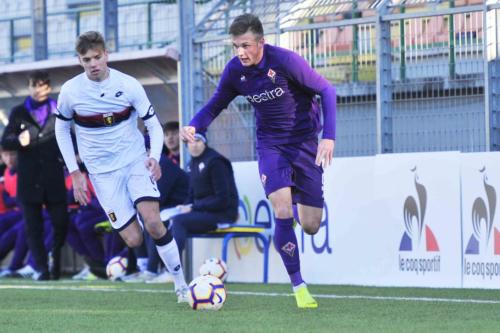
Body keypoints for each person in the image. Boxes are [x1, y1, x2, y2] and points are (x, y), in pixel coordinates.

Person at [180, 14, 336, 309]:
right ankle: (299, 287)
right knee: (280, 207)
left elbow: (327, 90)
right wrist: (194, 125)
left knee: (311, 225)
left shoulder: (286, 61)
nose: (241, 52)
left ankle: (295, 201)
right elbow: (215, 105)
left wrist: (329, 136)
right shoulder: (234, 71)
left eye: (246, 45)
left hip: (305, 144)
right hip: (270, 146)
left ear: (261, 42)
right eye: (236, 46)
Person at [54, 31, 189, 302]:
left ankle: (181, 285)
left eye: (97, 57)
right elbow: (61, 130)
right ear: (79, 60)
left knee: (153, 222)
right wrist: (75, 172)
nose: (92, 63)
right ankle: (136, 217)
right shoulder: (71, 91)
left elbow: (152, 123)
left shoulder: (128, 85)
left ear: (106, 55)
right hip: (102, 174)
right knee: (134, 240)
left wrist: (154, 155)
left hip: (134, 161)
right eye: (86, 59)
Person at [1, 71, 69, 281]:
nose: (39, 90)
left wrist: (75, 155)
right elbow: (5, 141)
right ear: (29, 87)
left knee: (61, 223)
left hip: (53, 178)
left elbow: (68, 135)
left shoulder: (58, 110)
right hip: (29, 181)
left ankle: (54, 261)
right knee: (33, 228)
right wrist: (18, 141)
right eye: (35, 85)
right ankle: (41, 268)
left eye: (43, 86)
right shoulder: (18, 112)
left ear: (49, 88)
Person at [172, 132, 238, 258]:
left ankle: (173, 270)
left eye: (198, 141)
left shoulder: (216, 162)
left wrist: (193, 207)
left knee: (179, 221)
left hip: (223, 214)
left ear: (205, 142)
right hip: (204, 212)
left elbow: (222, 200)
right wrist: (183, 206)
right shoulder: (192, 163)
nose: (194, 145)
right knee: (166, 222)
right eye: (191, 142)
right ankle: (152, 269)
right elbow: (192, 195)